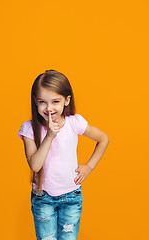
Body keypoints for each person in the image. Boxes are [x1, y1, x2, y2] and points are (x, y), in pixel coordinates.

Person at [18, 69, 109, 240]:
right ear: (35, 102)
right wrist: (50, 136)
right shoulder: (29, 129)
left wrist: (89, 167)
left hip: (71, 198)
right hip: (43, 198)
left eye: (55, 101)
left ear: (66, 101)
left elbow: (103, 139)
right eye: (42, 102)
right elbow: (35, 165)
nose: (49, 108)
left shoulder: (74, 123)